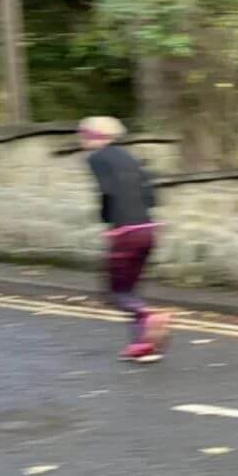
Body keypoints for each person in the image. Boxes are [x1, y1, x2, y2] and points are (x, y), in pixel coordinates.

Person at [78, 116, 170, 362]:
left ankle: (148, 316)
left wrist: (108, 219)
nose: (81, 140)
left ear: (94, 136)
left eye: (83, 134)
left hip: (125, 233)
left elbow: (107, 192)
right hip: (148, 230)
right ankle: (143, 345)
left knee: (115, 293)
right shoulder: (131, 157)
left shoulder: (97, 158)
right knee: (129, 290)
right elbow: (150, 195)